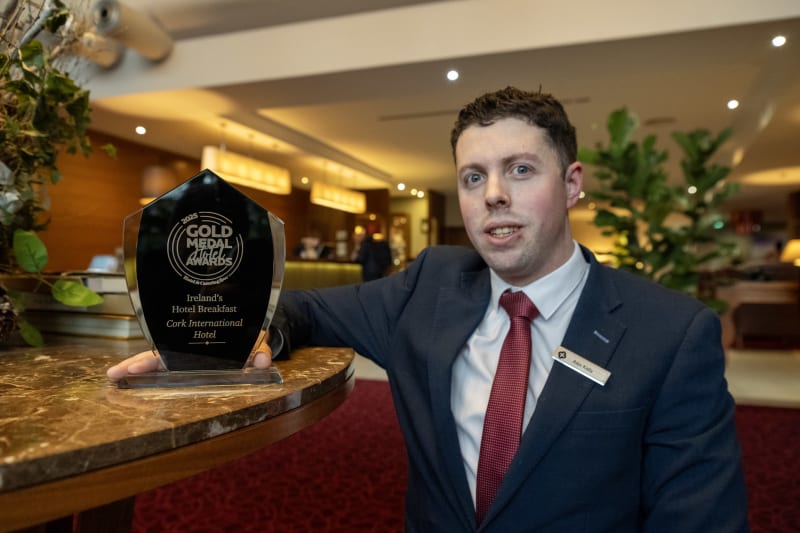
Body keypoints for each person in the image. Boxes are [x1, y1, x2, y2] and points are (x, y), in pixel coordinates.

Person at [108, 87, 748, 532]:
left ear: (573, 183)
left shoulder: (670, 332)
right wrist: (243, 335)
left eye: (520, 170)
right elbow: (302, 308)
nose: (493, 195)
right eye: (473, 177)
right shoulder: (431, 286)